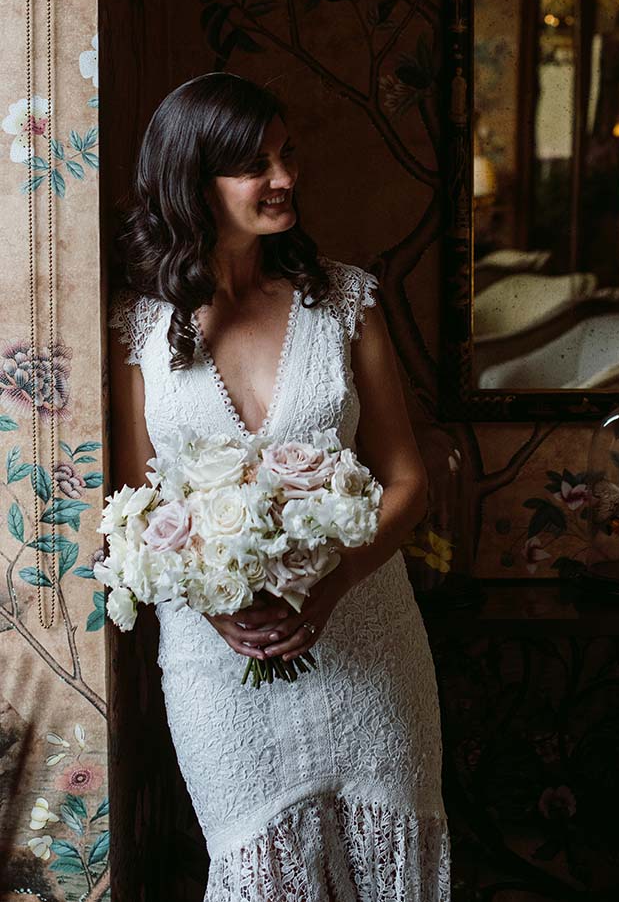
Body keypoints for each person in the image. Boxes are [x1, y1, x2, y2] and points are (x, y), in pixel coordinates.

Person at [107, 72, 450, 900]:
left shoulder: (342, 302)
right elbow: (132, 507)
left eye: (287, 155)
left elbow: (407, 477)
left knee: (391, 870)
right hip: (216, 662)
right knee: (261, 876)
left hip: (369, 634)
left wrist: (332, 585)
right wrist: (217, 605)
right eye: (254, 165)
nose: (285, 177)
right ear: (194, 182)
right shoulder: (140, 331)